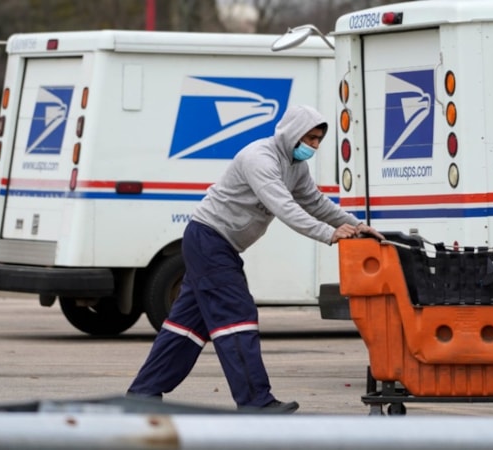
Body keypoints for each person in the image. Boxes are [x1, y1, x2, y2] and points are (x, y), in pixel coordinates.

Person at [126, 104, 384, 414]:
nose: (313, 146)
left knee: (186, 327)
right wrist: (328, 234)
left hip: (217, 244)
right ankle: (254, 402)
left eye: (317, 140)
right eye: (310, 138)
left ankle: (143, 393)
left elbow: (314, 202)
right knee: (237, 316)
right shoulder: (259, 158)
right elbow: (283, 206)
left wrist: (354, 225)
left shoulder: (295, 165)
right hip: (209, 239)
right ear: (292, 133)